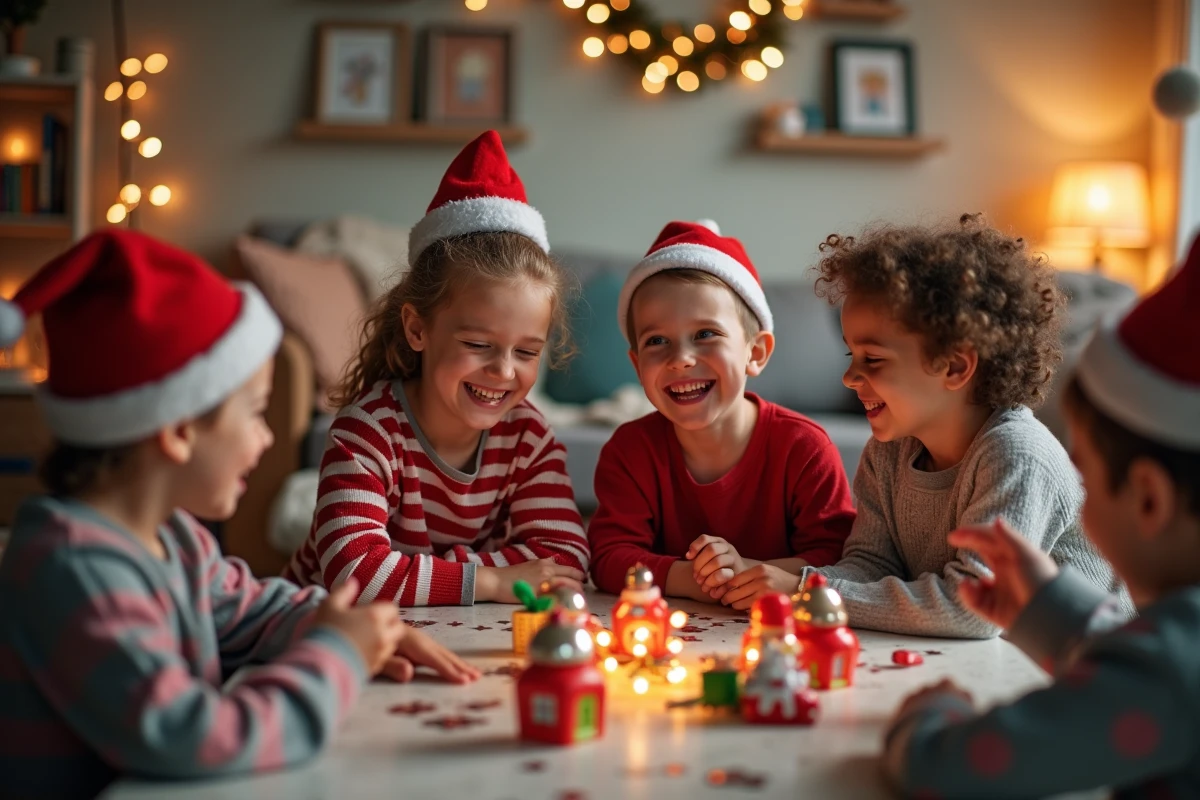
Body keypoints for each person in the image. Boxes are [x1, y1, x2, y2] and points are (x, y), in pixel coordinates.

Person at [0, 230, 477, 799]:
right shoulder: (73, 570)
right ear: (178, 430)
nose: (268, 436)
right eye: (254, 413)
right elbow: (191, 737)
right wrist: (338, 654)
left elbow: (254, 610)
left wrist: (349, 624)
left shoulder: (173, 536)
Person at [883, 237, 1200, 798]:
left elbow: (947, 771)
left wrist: (930, 715)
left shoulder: (1168, 677)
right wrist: (1050, 608)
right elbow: (1137, 657)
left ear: (1149, 499)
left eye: (1084, 468)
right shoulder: (1173, 654)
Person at [285, 131, 588, 606]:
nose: (504, 372)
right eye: (477, 344)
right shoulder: (367, 433)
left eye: (527, 352)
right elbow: (354, 573)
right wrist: (490, 580)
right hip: (320, 629)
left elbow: (563, 559)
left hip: (444, 630)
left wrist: (418, 573)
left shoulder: (528, 438)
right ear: (417, 329)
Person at [800, 214, 1129, 637]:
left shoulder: (1015, 453)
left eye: (873, 359)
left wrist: (808, 593)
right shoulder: (889, 450)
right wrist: (805, 587)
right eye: (851, 356)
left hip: (1095, 674)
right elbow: (870, 564)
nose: (849, 378)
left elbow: (971, 610)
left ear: (955, 366)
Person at [587, 219, 855, 607]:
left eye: (705, 335)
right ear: (636, 365)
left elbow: (838, 557)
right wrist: (700, 578)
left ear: (756, 352)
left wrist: (751, 572)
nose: (680, 359)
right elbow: (609, 558)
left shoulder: (805, 448)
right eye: (657, 341)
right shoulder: (629, 451)